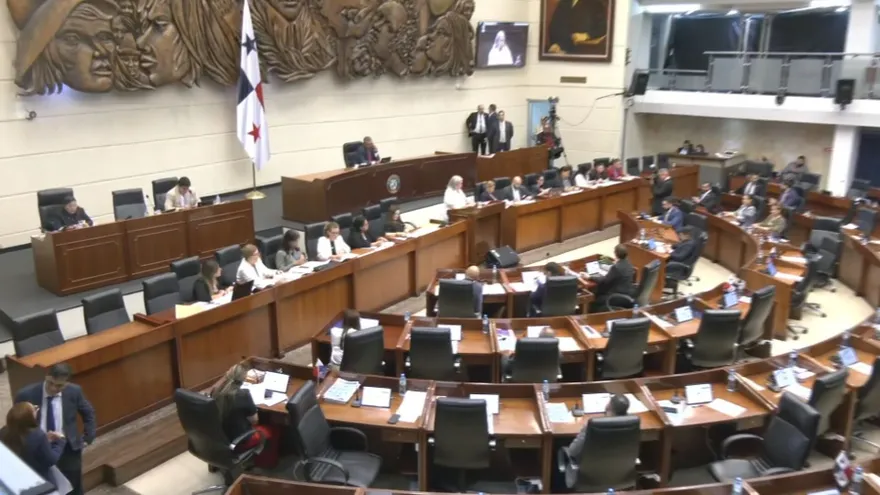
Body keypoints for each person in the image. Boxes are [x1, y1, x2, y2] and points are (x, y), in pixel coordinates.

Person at [15, 363, 96, 495]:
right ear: (47, 376)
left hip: (68, 449)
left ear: (67, 384)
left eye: (59, 386)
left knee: (73, 488)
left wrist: (88, 437)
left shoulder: (74, 392)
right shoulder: (25, 395)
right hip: (38, 449)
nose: (53, 388)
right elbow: (18, 422)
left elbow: (88, 413)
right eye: (50, 382)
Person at [210, 364, 280, 469]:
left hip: (218, 437)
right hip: (238, 440)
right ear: (243, 380)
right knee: (272, 430)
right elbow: (255, 421)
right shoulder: (243, 394)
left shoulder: (215, 391)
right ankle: (264, 464)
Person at [2, 402, 68, 490]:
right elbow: (51, 459)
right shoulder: (38, 435)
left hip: (16, 483)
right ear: (28, 417)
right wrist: (60, 442)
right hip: (39, 483)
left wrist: (45, 442)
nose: (37, 409)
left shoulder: (3, 432)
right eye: (34, 409)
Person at [563, 394, 630, 460]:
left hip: (590, 467)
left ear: (608, 406)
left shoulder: (592, 426)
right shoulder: (631, 424)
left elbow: (572, 451)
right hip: (619, 466)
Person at [589, 244, 635, 311]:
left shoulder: (616, 267)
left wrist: (590, 277)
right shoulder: (628, 263)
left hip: (616, 296)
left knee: (594, 299)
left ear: (615, 254)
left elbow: (604, 280)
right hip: (627, 294)